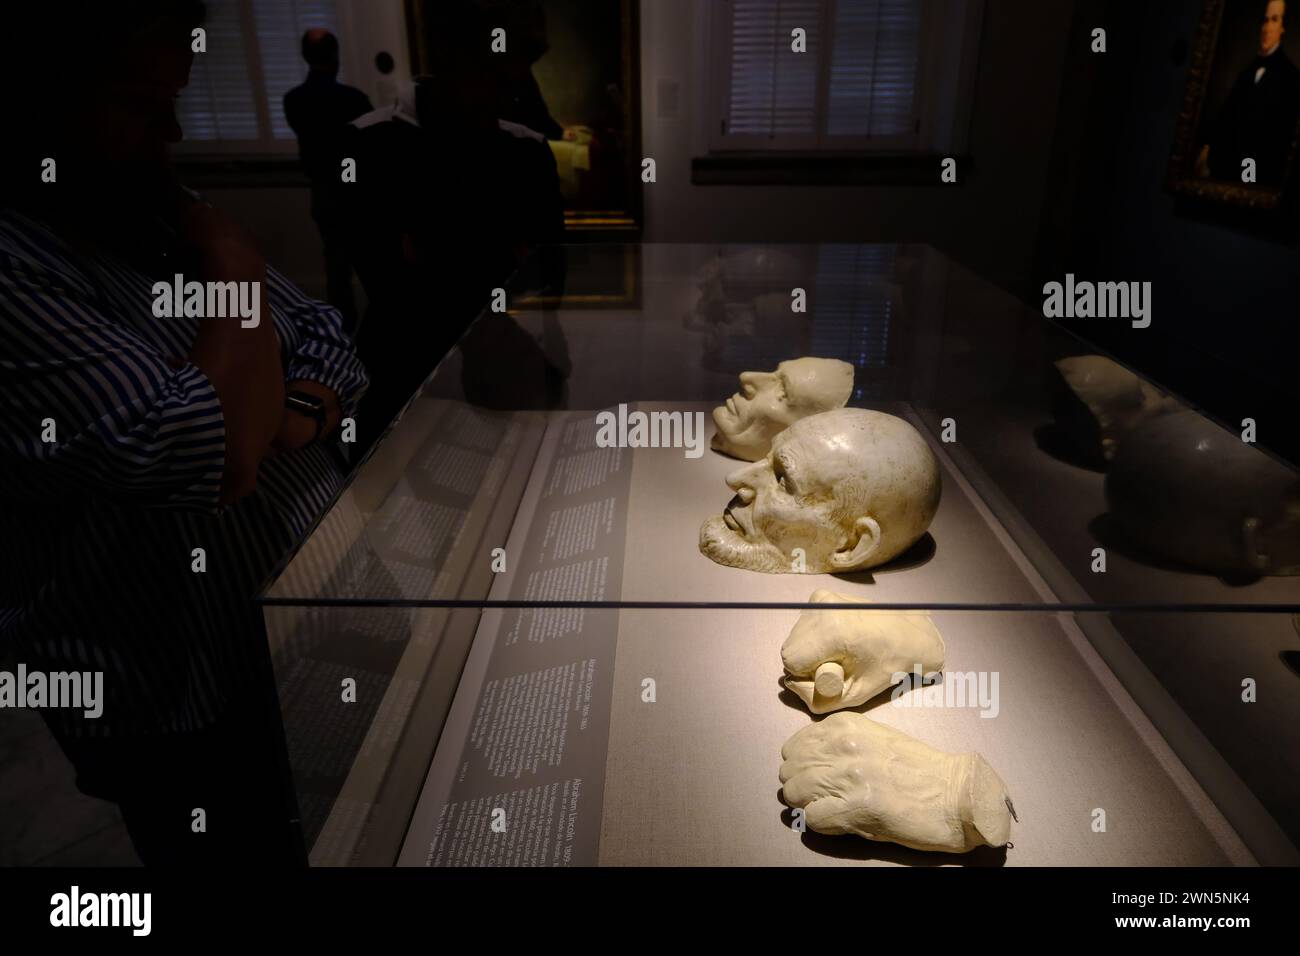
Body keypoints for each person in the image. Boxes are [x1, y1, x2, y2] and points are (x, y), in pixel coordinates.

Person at [0, 2, 368, 865]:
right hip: (176, 691)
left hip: (291, 634)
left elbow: (325, 335)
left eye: (173, 97)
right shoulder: (23, 259)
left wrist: (291, 412)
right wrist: (237, 276)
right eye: (136, 101)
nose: (169, 129)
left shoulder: (149, 204)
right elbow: (210, 450)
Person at [338, 0, 566, 456]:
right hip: (405, 370)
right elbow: (388, 280)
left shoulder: (524, 150)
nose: (514, 88)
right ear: (451, 57)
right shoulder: (369, 144)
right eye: (497, 72)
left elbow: (546, 272)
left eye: (519, 71)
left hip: (495, 363)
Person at [284, 30, 373, 333]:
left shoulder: (294, 101)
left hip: (323, 192)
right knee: (371, 263)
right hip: (356, 192)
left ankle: (343, 332)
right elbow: (370, 148)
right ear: (335, 56)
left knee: (336, 268)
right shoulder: (354, 100)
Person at [1197, 0, 1300, 185]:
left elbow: (1277, 138)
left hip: (1258, 172)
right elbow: (1227, 116)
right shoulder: (1247, 72)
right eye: (1265, 20)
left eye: (1274, 20)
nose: (1267, 27)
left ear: (1283, 27)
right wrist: (1208, 148)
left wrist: (1248, 178)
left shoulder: (1291, 76)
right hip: (1228, 166)